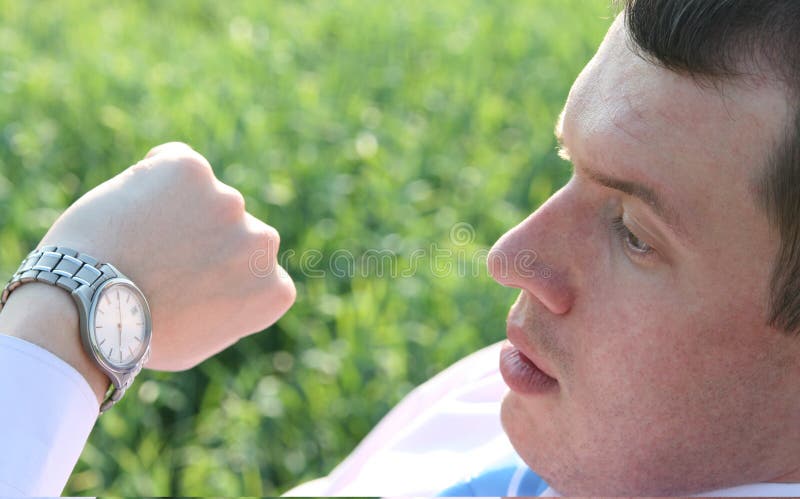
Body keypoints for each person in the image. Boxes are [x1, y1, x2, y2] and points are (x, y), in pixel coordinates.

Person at [3, 0, 800, 495]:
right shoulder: (548, 404)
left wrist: (68, 318)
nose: (512, 255)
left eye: (633, 232)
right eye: (569, 167)